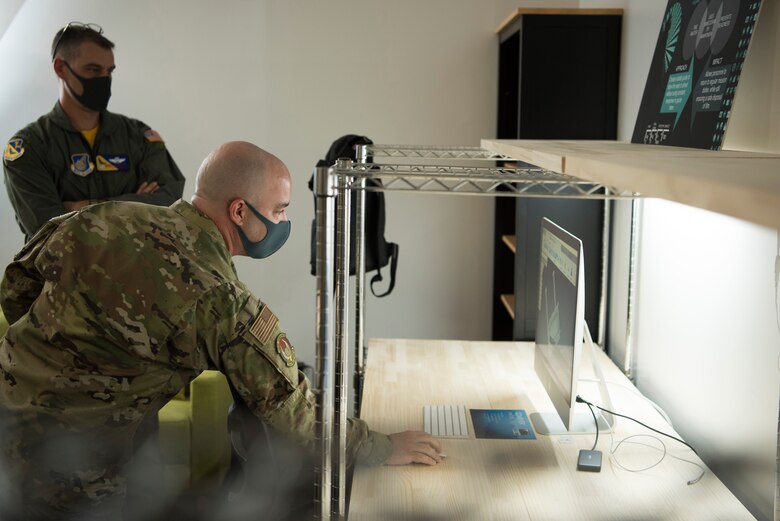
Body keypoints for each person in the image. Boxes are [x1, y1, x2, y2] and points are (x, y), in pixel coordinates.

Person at [0, 141, 441, 521]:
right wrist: (383, 447)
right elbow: (294, 414)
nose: (284, 222)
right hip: (71, 467)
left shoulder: (100, 217)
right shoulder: (221, 301)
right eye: (279, 210)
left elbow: (17, 289)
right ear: (239, 210)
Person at [2, 22, 185, 242]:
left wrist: (86, 207)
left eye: (109, 71)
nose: (104, 79)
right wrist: (135, 204)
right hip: (69, 265)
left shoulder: (137, 136)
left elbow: (170, 204)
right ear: (60, 68)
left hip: (135, 264)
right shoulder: (30, 147)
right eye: (93, 69)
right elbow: (49, 232)